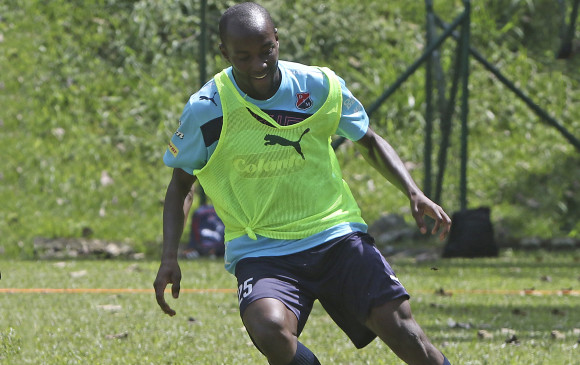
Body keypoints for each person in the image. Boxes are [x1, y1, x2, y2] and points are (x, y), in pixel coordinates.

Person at [154, 2, 453, 365]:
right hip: (261, 248)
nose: (258, 65)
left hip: (335, 234)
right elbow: (181, 184)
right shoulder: (207, 109)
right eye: (243, 57)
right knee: (270, 330)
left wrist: (413, 191)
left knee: (403, 330)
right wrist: (169, 254)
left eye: (267, 51)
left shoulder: (318, 86)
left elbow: (368, 139)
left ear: (277, 39)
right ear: (224, 53)